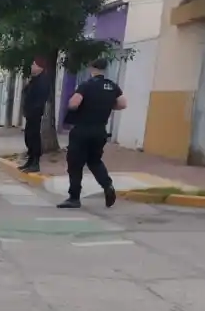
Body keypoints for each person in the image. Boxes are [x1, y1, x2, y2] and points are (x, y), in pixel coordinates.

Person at [57, 58, 126, 209]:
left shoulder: (86, 85)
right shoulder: (112, 86)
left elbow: (74, 103)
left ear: (91, 68)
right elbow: (122, 103)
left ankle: (74, 197)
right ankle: (107, 185)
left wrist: (74, 105)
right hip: (100, 130)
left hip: (82, 129)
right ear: (105, 69)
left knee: (75, 164)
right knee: (95, 161)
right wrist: (106, 106)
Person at [20, 56, 52, 173]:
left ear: (40, 68)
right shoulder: (35, 79)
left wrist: (33, 110)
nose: (32, 66)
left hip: (35, 113)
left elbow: (40, 98)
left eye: (34, 65)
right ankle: (30, 159)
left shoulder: (43, 81)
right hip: (30, 113)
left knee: (34, 137)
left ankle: (35, 162)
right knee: (28, 136)